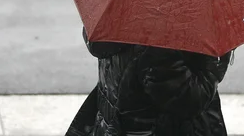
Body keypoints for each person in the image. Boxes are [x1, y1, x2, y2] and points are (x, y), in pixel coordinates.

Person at [66, 28, 233, 136]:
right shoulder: (160, 41)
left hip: (114, 124)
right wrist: (217, 57)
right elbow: (190, 100)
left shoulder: (116, 19)